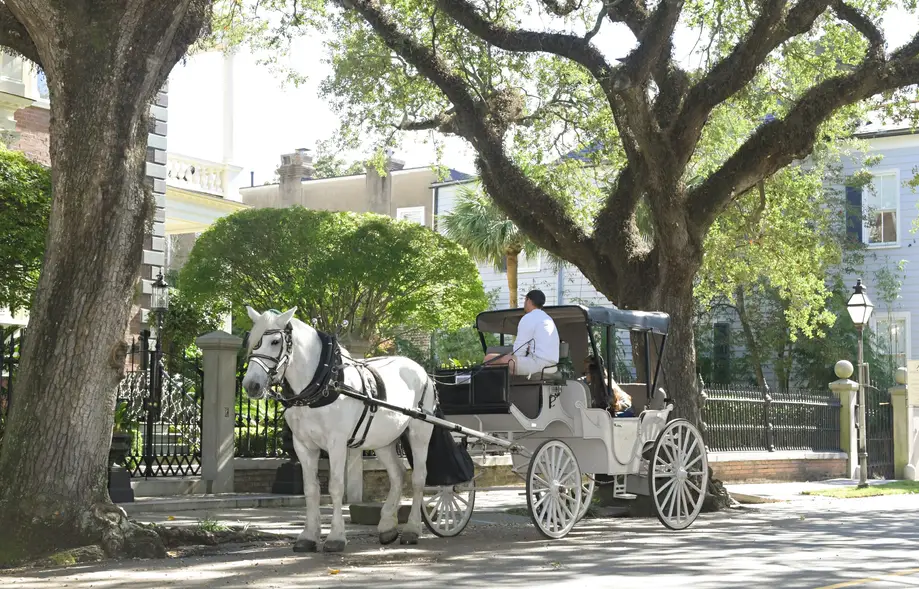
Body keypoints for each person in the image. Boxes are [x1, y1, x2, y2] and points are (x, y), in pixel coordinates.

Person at [484, 290, 560, 376]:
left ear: (529, 300)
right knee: (502, 359)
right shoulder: (548, 318)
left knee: (489, 358)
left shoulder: (529, 317)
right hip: (551, 365)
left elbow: (519, 350)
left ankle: (496, 388)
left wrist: (510, 357)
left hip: (537, 363)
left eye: (525, 300)